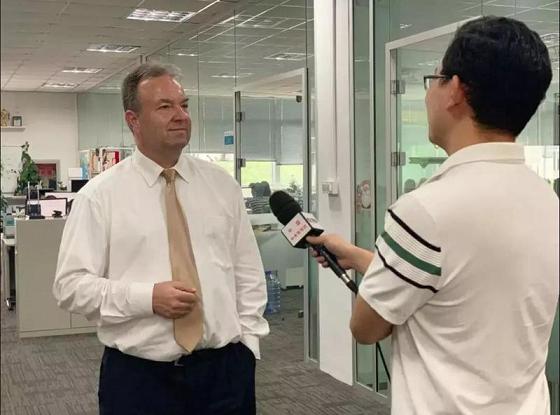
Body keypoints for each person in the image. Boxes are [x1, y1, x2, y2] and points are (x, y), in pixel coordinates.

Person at [309, 16, 558, 414]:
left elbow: (366, 328)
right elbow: (459, 286)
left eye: (434, 79)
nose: (428, 94)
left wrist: (379, 270)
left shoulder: (425, 210)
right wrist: (359, 257)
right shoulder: (545, 199)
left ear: (456, 90)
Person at [53, 63, 269, 415]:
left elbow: (247, 273)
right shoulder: (99, 196)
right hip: (140, 380)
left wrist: (248, 344)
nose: (181, 116)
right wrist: (147, 298)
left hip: (225, 374)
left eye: (184, 105)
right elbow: (70, 287)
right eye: (165, 106)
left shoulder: (222, 186)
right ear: (133, 120)